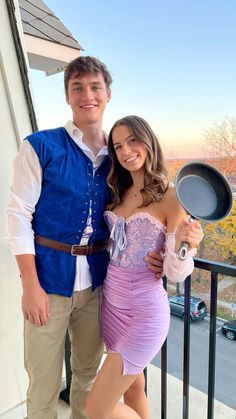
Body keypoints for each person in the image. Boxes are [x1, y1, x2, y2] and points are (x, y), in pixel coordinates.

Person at [6, 57, 164, 419]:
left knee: (87, 377)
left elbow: (149, 206)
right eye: (77, 87)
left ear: (107, 94)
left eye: (95, 87)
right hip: (47, 284)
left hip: (98, 287)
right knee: (43, 384)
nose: (87, 95)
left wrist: (172, 249)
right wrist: (30, 285)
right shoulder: (41, 147)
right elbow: (17, 216)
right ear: (67, 96)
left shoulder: (121, 157)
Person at [85, 115, 204, 419]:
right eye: (118, 146)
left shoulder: (172, 196)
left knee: (96, 409)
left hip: (145, 311)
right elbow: (117, 247)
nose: (126, 151)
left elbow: (176, 274)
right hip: (112, 305)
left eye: (133, 141)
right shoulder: (117, 192)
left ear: (148, 141)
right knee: (134, 389)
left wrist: (187, 246)